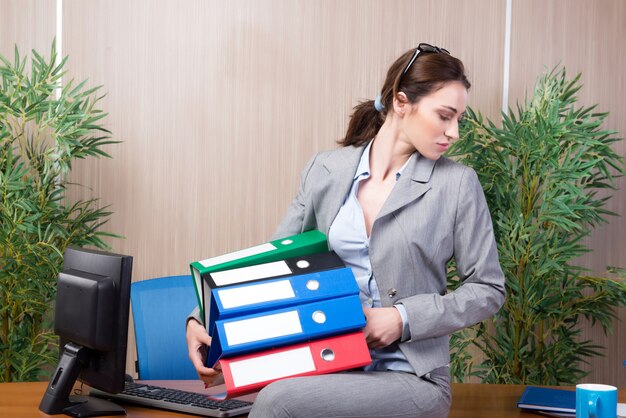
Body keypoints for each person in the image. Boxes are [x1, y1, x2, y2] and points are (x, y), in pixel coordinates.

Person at [186, 43, 506, 418]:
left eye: (459, 120)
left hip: (412, 376)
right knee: (265, 394)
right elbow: (273, 259)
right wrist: (201, 318)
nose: (453, 133)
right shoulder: (326, 170)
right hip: (327, 361)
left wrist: (402, 317)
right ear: (402, 103)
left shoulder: (457, 184)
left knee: (277, 401)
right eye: (444, 116)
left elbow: (488, 289)